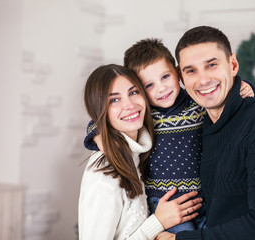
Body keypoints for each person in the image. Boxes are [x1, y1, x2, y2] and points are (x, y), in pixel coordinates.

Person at [84, 39, 255, 233]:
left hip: (205, 198)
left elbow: (221, 92)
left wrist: (245, 87)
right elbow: (101, 121)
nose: (161, 88)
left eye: (165, 77)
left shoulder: (197, 102)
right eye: (148, 85)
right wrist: (98, 136)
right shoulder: (145, 113)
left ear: (178, 73)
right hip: (164, 202)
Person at [156, 26, 255, 240]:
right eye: (191, 70)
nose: (203, 80)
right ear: (181, 78)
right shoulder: (199, 130)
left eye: (211, 65)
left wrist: (176, 239)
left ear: (233, 65)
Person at [79, 64, 203, 240]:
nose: (129, 104)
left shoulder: (137, 153)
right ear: (99, 111)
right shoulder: (103, 176)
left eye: (133, 92)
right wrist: (157, 222)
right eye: (114, 100)